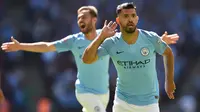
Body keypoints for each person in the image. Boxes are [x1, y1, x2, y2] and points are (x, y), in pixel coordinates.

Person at [1, 5, 178, 112]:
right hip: (84, 91)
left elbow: (133, 42)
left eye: (84, 17)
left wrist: (160, 41)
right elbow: (47, 46)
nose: (80, 21)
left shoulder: (107, 35)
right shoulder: (73, 40)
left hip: (104, 93)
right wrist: (20, 46)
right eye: (78, 18)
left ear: (94, 20)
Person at [82, 2, 176, 112]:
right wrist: (101, 37)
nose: (130, 19)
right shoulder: (111, 43)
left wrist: (169, 81)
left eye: (133, 16)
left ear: (137, 19)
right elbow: (86, 59)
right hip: (122, 103)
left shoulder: (150, 38)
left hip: (149, 103)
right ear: (118, 20)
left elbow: (168, 53)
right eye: (126, 16)